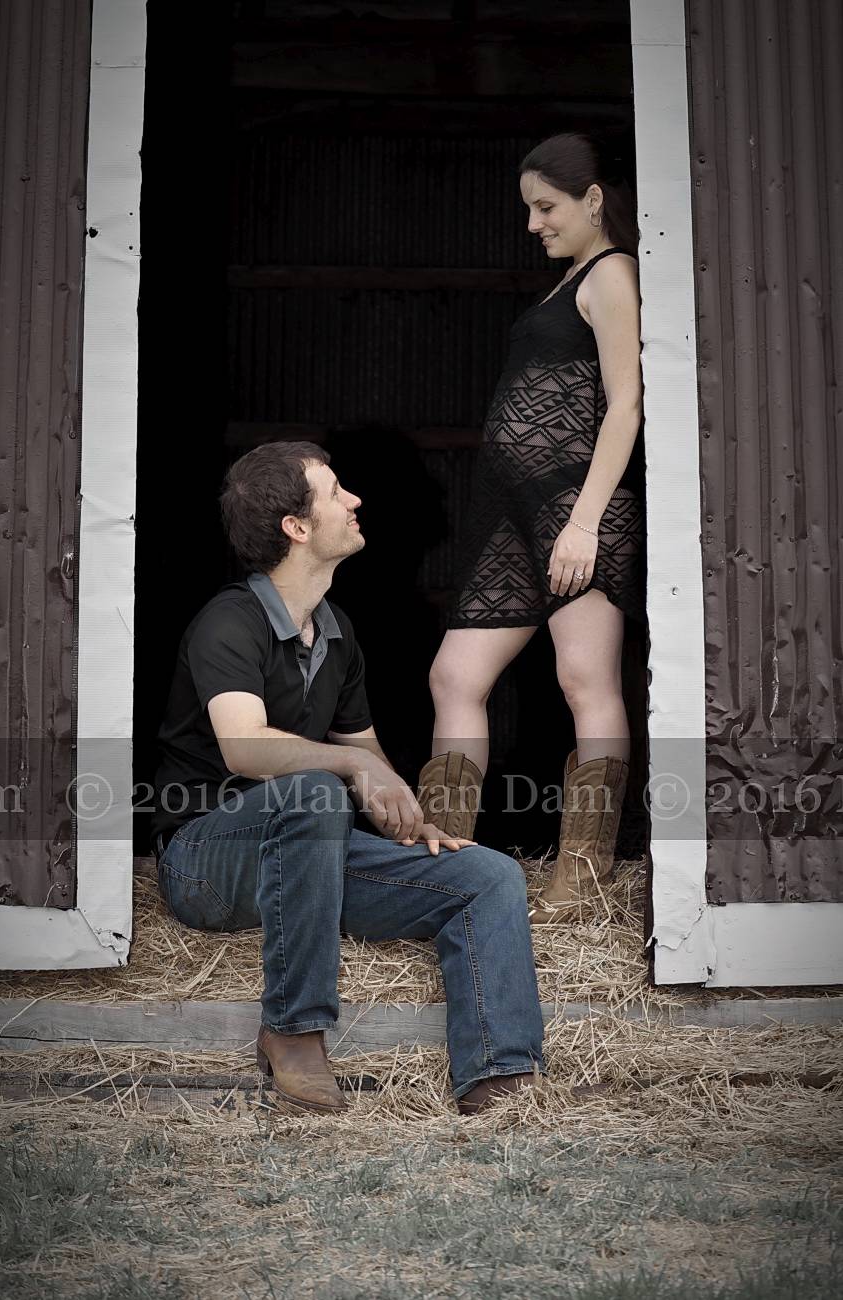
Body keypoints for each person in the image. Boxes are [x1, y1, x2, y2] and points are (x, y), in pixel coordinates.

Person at [151, 442, 545, 1115]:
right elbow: (244, 746)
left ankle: (498, 1074)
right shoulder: (230, 621)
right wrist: (353, 766)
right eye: (336, 492)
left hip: (310, 857)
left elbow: (365, 758)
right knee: (316, 789)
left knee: (486, 875)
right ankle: (293, 1030)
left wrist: (411, 822)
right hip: (206, 862)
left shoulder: (336, 632)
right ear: (296, 528)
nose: (354, 500)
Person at [421, 133, 647, 923]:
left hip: (572, 509)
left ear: (592, 199)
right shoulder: (570, 281)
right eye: (529, 209)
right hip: (515, 516)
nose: (533, 225)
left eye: (545, 207)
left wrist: (583, 524)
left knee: (585, 682)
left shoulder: (611, 272)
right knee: (454, 678)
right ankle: (444, 870)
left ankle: (581, 880)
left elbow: (624, 404)